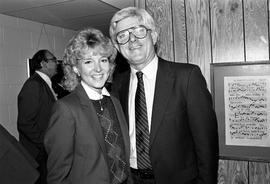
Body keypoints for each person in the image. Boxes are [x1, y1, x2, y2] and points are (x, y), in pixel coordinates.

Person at [109, 7, 219, 184]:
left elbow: (206, 143)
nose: (132, 40)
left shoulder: (187, 76)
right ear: (117, 47)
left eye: (139, 31)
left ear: (153, 36)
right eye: (122, 35)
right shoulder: (118, 84)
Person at [44, 27, 132, 184]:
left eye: (103, 60)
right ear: (76, 68)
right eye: (88, 61)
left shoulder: (115, 102)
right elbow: (57, 176)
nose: (98, 68)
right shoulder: (66, 109)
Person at [17, 49, 58, 184]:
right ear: (43, 63)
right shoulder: (34, 85)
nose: (57, 62)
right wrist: (45, 143)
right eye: (53, 60)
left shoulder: (44, 83)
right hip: (38, 155)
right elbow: (25, 123)